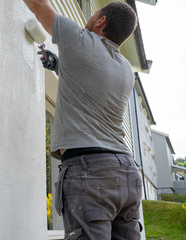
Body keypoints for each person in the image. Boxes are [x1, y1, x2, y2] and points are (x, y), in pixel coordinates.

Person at [23, 1, 142, 239]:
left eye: (94, 13)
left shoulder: (77, 38)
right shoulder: (126, 69)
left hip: (91, 172)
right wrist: (60, 66)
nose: (89, 18)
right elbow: (91, 85)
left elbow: (37, 4)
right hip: (127, 173)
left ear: (101, 21)